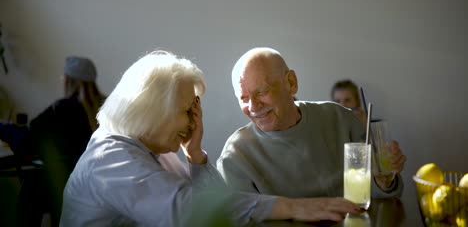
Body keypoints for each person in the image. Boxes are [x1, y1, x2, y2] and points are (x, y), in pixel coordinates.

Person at [61, 51, 363, 227]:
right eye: (186, 111)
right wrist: (292, 207)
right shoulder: (110, 156)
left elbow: (215, 206)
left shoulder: (154, 151)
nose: (194, 121)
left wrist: (194, 155)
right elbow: (185, 211)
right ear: (153, 111)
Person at [217, 47, 407, 204]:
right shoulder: (236, 155)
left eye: (262, 92)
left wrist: (383, 180)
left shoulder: (338, 118)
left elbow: (375, 195)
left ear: (291, 83)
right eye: (244, 97)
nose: (253, 106)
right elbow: (240, 219)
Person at [25, 56, 105, 226]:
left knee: (32, 188)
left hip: (65, 185)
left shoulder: (62, 108)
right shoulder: (109, 106)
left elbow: (31, 133)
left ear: (69, 80)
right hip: (100, 188)